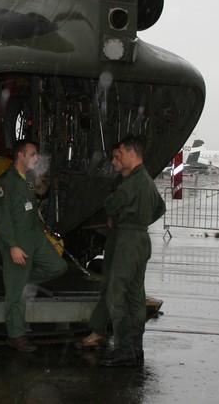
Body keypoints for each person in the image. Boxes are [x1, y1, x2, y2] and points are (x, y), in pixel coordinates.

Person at [0, 139, 67, 352]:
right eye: (33, 154)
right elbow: (3, 219)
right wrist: (13, 246)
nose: (36, 158)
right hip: (17, 242)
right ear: (21, 156)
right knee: (16, 295)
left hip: (35, 237)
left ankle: (21, 280)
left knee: (58, 267)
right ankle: (16, 336)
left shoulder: (28, 180)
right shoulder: (5, 183)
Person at [99, 134, 166, 367]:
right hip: (141, 238)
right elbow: (160, 207)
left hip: (127, 238)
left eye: (121, 153)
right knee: (136, 295)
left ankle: (124, 349)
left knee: (116, 294)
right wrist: (142, 219)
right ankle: (136, 347)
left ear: (131, 153)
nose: (119, 157)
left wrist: (118, 215)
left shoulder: (132, 183)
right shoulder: (146, 179)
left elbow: (111, 204)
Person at [75, 144, 122, 350]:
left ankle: (125, 345)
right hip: (119, 237)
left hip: (127, 239)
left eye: (117, 157)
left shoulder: (136, 182)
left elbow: (156, 208)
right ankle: (100, 332)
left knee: (120, 289)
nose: (113, 162)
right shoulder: (123, 181)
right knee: (110, 287)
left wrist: (130, 223)